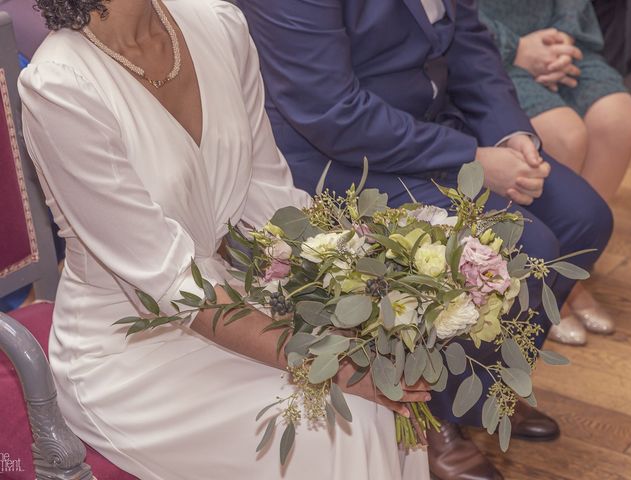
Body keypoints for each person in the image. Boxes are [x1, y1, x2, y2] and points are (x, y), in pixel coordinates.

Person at [18, 0, 433, 478]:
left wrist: (356, 296)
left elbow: (270, 195)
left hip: (234, 297)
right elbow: (170, 286)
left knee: (377, 395)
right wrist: (334, 363)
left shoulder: (217, 23)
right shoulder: (60, 86)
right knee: (349, 419)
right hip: (129, 353)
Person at [234, 1, 614, 478]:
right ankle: (432, 413)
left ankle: (485, 386)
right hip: (346, 159)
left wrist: (509, 134)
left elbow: (470, 43)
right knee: (526, 245)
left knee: (584, 218)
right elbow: (329, 109)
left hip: (433, 127)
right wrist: (470, 157)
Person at [478, 0, 631, 345]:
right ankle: (543, 282)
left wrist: (562, 41)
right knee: (565, 134)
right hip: (490, 50)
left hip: (558, 42)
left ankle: (570, 272)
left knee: (620, 118)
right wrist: (517, 47)